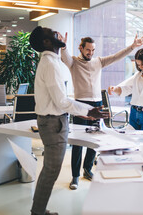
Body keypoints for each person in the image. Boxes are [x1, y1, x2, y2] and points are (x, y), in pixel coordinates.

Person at [29, 26, 108, 215]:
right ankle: (37, 212)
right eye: (52, 32)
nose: (57, 32)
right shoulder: (50, 64)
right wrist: (90, 111)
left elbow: (61, 100)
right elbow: (62, 101)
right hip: (53, 123)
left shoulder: (53, 62)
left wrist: (87, 112)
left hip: (54, 121)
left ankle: (38, 210)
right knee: (50, 172)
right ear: (47, 42)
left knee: (50, 171)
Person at [57, 33, 143, 190]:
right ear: (81, 48)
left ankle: (87, 169)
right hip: (80, 104)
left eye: (93, 50)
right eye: (88, 50)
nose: (90, 53)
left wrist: (133, 46)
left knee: (94, 140)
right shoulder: (74, 62)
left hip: (97, 104)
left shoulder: (98, 62)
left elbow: (117, 56)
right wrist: (63, 46)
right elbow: (64, 57)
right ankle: (75, 176)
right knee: (78, 142)